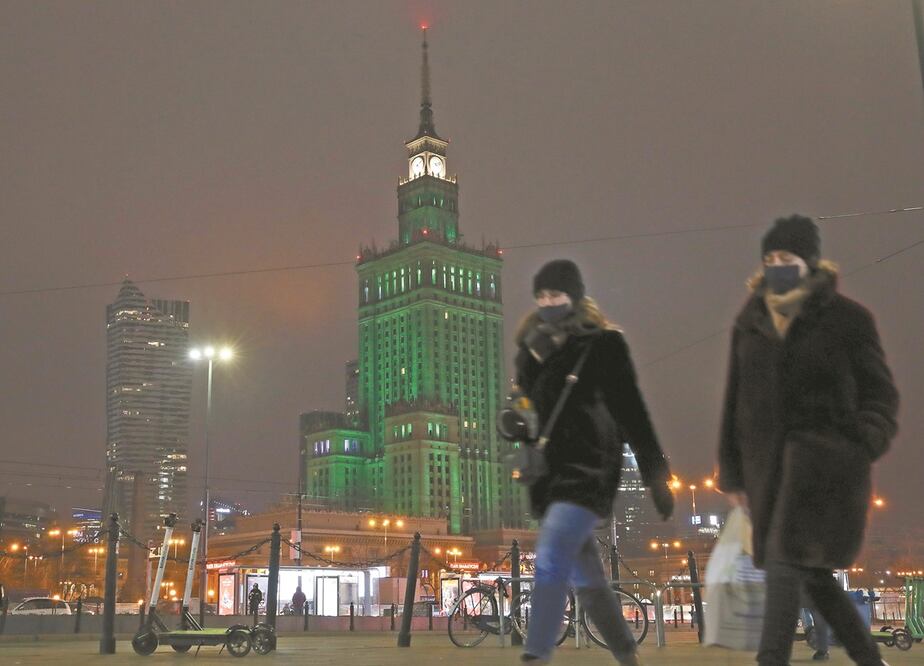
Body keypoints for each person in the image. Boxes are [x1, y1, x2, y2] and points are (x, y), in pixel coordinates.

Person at [717, 215, 899, 666]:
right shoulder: (751, 322)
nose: (778, 266)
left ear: (810, 262)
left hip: (826, 472)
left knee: (783, 565)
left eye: (788, 258)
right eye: (771, 258)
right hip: (769, 473)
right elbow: (734, 402)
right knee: (815, 579)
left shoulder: (847, 319)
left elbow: (880, 393)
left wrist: (860, 442)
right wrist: (734, 472)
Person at [514, 259, 674, 665]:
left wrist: (655, 474)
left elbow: (632, 411)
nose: (549, 302)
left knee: (550, 557)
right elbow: (535, 417)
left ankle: (535, 656)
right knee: (589, 579)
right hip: (550, 477)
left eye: (557, 295)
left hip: (589, 470)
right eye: (542, 296)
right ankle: (626, 652)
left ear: (576, 296)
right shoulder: (532, 352)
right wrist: (517, 423)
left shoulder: (603, 345)